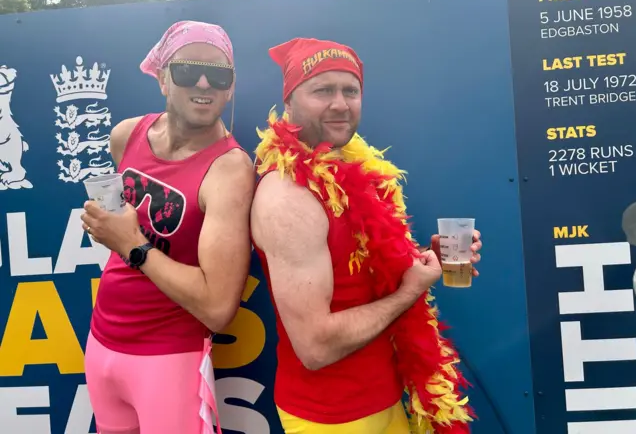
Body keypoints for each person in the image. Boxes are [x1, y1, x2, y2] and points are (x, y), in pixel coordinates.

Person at [250, 37, 483, 434]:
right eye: (323, 90)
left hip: (386, 396)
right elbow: (315, 347)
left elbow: (359, 269)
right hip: (333, 417)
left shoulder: (350, 165)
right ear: (289, 102)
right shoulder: (287, 197)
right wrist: (410, 289)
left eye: (351, 90)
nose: (340, 103)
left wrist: (418, 262)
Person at [80, 21, 255, 434]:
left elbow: (217, 308)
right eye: (186, 70)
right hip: (100, 343)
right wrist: (110, 230)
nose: (203, 82)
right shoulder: (126, 135)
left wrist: (133, 247)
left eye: (218, 75)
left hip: (168, 360)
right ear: (162, 78)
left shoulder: (229, 170)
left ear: (230, 88)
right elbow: (119, 228)